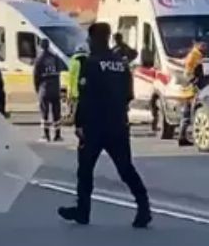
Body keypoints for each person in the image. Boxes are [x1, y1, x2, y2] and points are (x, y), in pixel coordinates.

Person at [58, 23, 151, 228]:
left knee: (85, 169)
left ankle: (83, 210)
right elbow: (128, 95)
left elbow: (85, 97)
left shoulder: (90, 64)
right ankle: (143, 206)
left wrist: (79, 123)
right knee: (125, 168)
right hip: (118, 124)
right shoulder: (121, 64)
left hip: (95, 125)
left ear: (94, 39)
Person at [33, 37, 66, 141]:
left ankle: (46, 135)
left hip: (44, 88)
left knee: (45, 113)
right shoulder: (55, 58)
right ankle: (57, 135)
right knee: (56, 112)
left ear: (40, 46)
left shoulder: (39, 59)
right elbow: (60, 71)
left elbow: (36, 76)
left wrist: (37, 89)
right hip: (55, 89)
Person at [176, 41, 208, 146]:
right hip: (190, 91)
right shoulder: (194, 55)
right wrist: (195, 82)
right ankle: (182, 137)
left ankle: (182, 136)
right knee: (187, 114)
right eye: (204, 46)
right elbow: (188, 73)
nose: (206, 48)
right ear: (198, 45)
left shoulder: (195, 55)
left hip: (189, 90)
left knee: (187, 114)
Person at [64, 44, 88, 124]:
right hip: (86, 89)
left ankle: (73, 119)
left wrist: (69, 91)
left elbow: (70, 77)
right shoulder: (89, 61)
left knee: (75, 106)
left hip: (75, 90)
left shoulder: (73, 61)